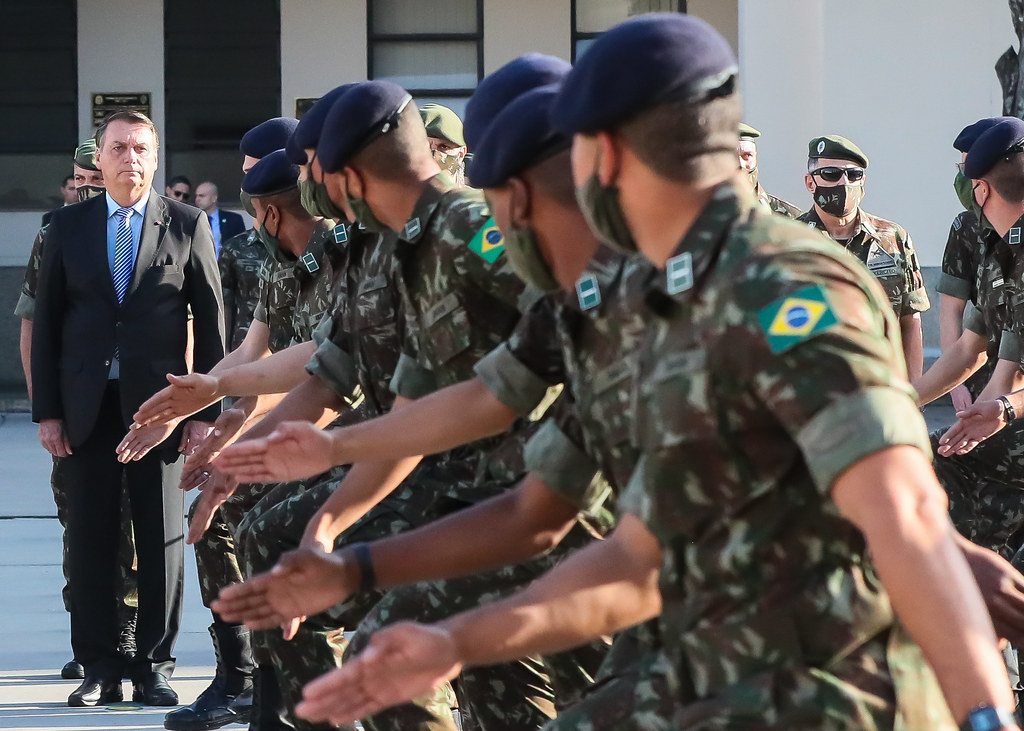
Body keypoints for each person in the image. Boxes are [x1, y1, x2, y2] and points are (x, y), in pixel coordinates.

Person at [219, 16, 1020, 731]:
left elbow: (906, 518)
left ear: (600, 153)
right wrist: (442, 636)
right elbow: (624, 546)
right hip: (698, 668)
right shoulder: (641, 301)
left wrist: (985, 715)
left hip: (831, 694)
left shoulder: (789, 292)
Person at [31, 110, 224, 707]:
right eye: (118, 148)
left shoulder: (187, 224)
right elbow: (46, 328)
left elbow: (212, 323)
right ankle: (97, 664)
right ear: (101, 157)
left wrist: (202, 411)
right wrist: (48, 412)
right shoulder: (66, 226)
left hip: (159, 406)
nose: (130, 159)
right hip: (87, 406)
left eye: (141, 148)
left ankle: (152, 665)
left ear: (156, 156)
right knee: (89, 537)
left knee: (161, 535)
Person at [15, 137, 138, 683]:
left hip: (130, 399)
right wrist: (47, 406)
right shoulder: (54, 236)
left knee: (132, 523)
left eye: (94, 180)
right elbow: (33, 329)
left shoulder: (142, 226)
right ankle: (87, 634)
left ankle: (128, 627)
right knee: (79, 523)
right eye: (80, 181)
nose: (85, 189)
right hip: (76, 403)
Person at [795, 135, 929, 379]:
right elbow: (778, 332)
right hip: (816, 395)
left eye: (853, 175)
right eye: (831, 174)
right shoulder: (791, 242)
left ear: (863, 181)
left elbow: (911, 323)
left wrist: (914, 396)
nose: (844, 182)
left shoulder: (892, 237)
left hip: (883, 390)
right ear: (810, 183)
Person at [938, 119, 1000, 415]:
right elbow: (952, 309)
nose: (964, 180)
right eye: (960, 169)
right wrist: (955, 384)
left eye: (969, 170)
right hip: (983, 374)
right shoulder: (966, 227)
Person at [736, 122, 800, 217]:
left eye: (747, 156)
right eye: (731, 156)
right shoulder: (706, 212)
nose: (741, 164)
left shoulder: (788, 216)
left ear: (756, 157)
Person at [419, 103, 468, 187]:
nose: (433, 155)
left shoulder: (476, 199)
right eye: (423, 145)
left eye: (443, 147)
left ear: (461, 154)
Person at [194, 181, 246, 254]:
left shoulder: (233, 220)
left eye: (201, 196)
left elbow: (242, 246)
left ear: (214, 198)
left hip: (226, 263)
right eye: (196, 195)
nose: (197, 199)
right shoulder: (192, 220)